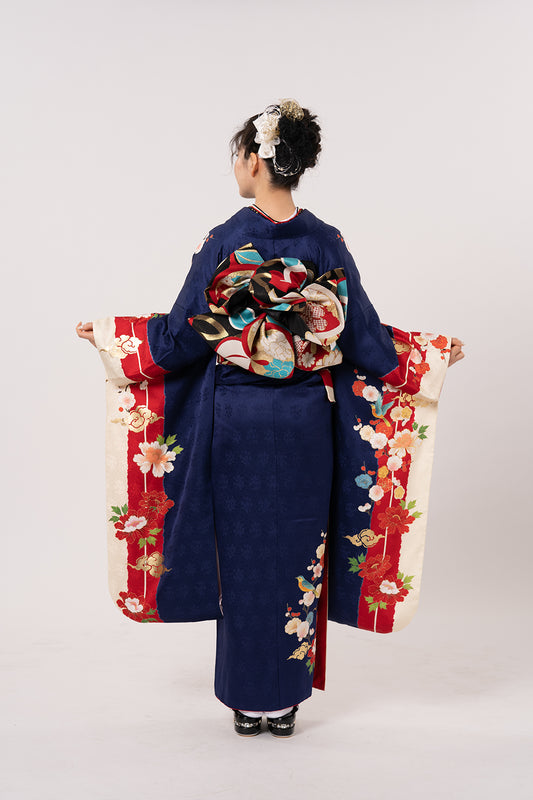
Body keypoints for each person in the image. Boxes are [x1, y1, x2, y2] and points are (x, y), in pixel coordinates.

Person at [76, 98, 464, 738]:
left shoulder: (225, 239)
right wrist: (433, 355)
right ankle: (284, 704)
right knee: (296, 551)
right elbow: (363, 339)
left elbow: (182, 336)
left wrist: (114, 336)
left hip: (239, 420)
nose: (236, 165)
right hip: (307, 420)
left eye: (238, 155)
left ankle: (245, 701)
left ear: (256, 160)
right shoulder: (325, 241)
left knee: (243, 555)